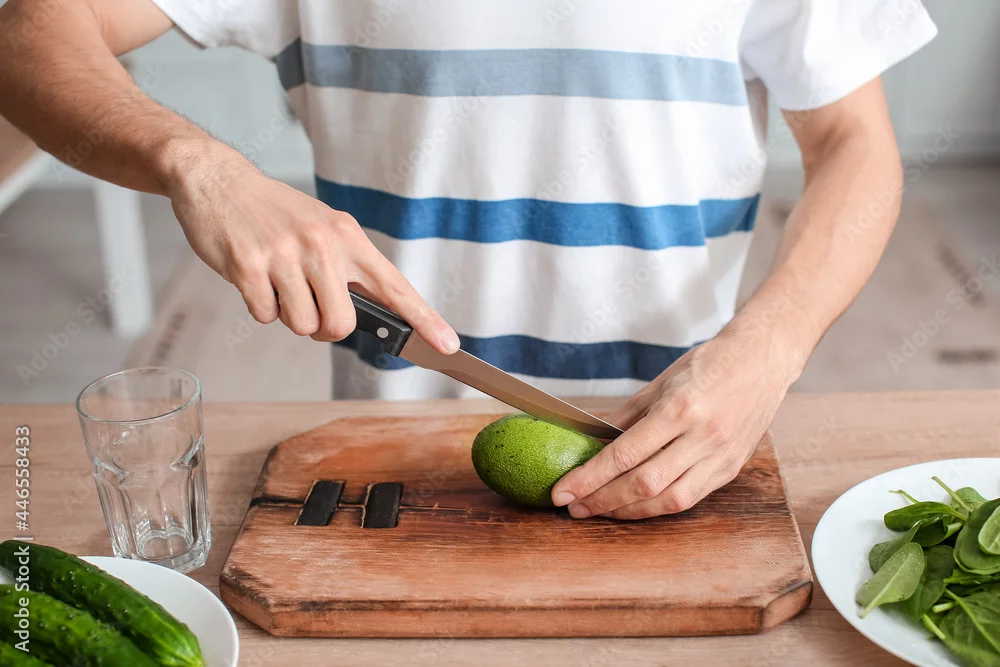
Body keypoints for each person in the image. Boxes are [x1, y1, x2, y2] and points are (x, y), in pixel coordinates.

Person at [0, 0, 936, 519]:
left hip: (686, 446)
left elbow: (854, 143)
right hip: (389, 471)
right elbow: (28, 34)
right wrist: (199, 165)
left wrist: (771, 348)